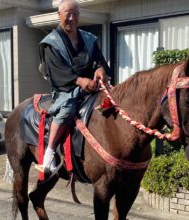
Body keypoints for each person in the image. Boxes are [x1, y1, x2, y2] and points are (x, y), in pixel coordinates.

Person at [38, 0, 111, 174]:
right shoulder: (51, 42)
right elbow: (57, 71)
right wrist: (80, 81)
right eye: (67, 14)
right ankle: (49, 154)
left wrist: (100, 69)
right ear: (59, 15)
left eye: (75, 14)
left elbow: (98, 59)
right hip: (67, 89)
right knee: (66, 111)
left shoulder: (87, 38)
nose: (72, 18)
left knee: (113, 99)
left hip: (92, 86)